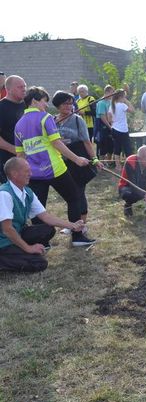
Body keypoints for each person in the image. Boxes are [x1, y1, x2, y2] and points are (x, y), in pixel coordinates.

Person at [14, 86, 95, 246]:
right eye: (44, 101)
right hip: (56, 169)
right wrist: (77, 159)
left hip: (34, 174)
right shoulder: (45, 118)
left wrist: (23, 175)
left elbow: (20, 155)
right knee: (74, 198)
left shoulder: (18, 125)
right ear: (35, 101)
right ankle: (77, 237)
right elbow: (56, 143)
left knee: (38, 208)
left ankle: (42, 242)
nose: (46, 105)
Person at [0, 158, 86, 272]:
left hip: (17, 233)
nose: (30, 174)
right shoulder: (4, 194)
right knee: (39, 263)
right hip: (3, 240)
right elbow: (7, 230)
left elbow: (45, 217)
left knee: (48, 230)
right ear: (15, 174)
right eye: (27, 171)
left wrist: (72, 225)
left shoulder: (27, 192)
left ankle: (17, 250)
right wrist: (28, 248)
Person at [53, 91, 103, 226]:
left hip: (78, 161)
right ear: (58, 105)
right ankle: (73, 224)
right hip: (61, 162)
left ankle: (82, 224)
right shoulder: (52, 120)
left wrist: (95, 159)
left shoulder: (77, 120)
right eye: (65, 104)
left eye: (70, 103)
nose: (69, 106)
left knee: (78, 192)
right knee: (70, 195)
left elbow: (87, 141)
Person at [0, 75, 26, 183]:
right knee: (13, 191)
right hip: (8, 159)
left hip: (28, 157)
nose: (24, 89)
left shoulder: (27, 105)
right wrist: (16, 150)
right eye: (20, 87)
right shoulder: (1, 107)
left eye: (25, 86)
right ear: (8, 89)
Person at [108, 89, 134, 170]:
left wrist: (113, 123)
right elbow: (133, 110)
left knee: (117, 147)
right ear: (121, 97)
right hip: (123, 130)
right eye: (124, 97)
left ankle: (118, 166)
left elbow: (109, 118)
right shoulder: (122, 105)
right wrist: (127, 101)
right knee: (127, 148)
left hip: (114, 129)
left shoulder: (112, 105)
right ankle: (130, 165)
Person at [96, 85, 115, 163]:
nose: (113, 94)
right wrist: (109, 126)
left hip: (111, 124)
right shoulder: (101, 103)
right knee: (103, 145)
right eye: (112, 92)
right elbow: (102, 117)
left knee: (111, 144)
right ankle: (101, 162)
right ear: (107, 92)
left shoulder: (111, 102)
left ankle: (109, 161)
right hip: (103, 126)